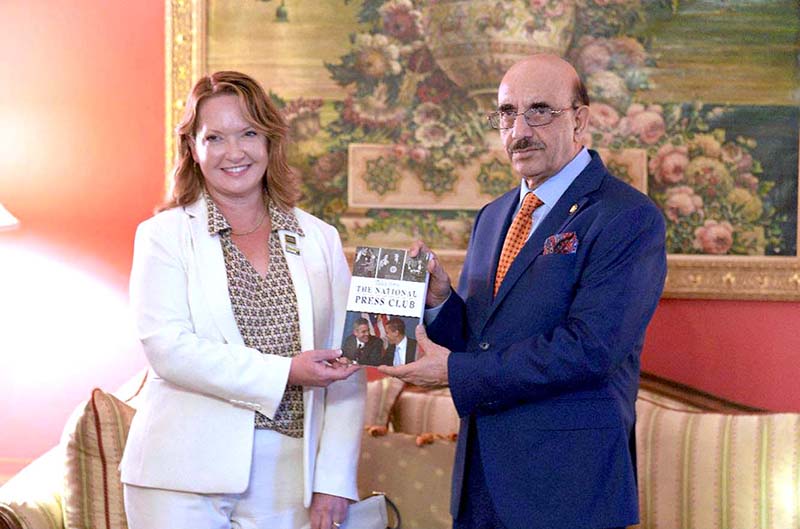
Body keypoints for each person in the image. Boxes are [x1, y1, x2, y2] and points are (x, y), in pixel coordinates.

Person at [380, 54, 667, 529]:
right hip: (481, 485)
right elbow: (481, 339)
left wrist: (453, 370)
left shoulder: (627, 217)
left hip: (568, 492)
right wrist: (439, 301)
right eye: (507, 113)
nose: (519, 130)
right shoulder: (494, 216)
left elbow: (590, 349)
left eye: (539, 111)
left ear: (579, 120)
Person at [120, 71, 365, 529]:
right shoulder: (163, 236)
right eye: (215, 137)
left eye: (249, 133)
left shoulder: (320, 239)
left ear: (270, 141)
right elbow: (168, 349)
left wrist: (334, 479)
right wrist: (286, 371)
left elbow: (348, 366)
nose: (235, 152)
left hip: (291, 480)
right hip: (178, 479)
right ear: (193, 148)